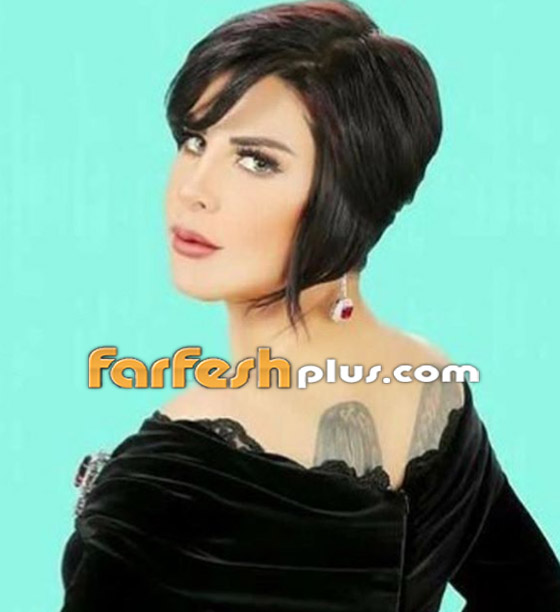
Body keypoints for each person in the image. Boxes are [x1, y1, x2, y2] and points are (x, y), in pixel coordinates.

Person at [59, 1, 560, 610]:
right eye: (195, 140)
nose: (193, 188)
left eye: (256, 160)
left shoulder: (175, 476)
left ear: (348, 195)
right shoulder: (430, 383)